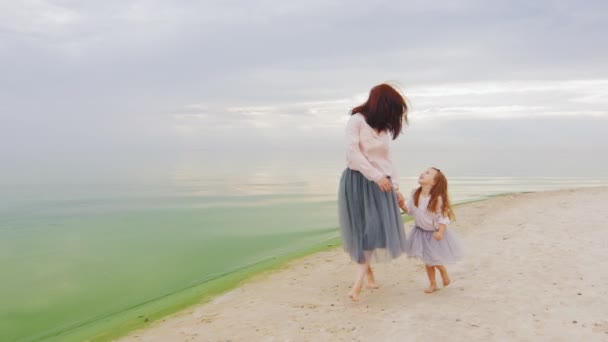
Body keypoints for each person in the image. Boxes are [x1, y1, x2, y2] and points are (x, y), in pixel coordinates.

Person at [338, 83, 409, 301]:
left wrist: (395, 187)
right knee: (362, 230)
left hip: (382, 183)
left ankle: (361, 279)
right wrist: (375, 176)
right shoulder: (357, 121)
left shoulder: (385, 127)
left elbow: (387, 159)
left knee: (374, 231)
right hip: (358, 180)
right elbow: (353, 153)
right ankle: (362, 278)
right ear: (382, 104)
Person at [399, 167, 463, 293]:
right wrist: (402, 206)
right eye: (423, 171)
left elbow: (443, 218)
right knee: (427, 261)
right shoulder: (415, 194)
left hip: (434, 233)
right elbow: (411, 212)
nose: (423, 173)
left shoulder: (437, 198)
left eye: (427, 173)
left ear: (433, 182)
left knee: (432, 258)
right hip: (419, 232)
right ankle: (432, 284)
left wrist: (440, 232)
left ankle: (443, 271)